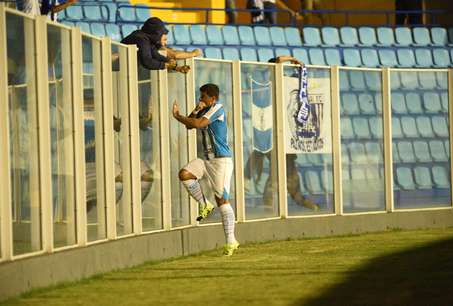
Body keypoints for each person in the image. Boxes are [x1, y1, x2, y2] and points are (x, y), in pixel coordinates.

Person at [244, 56, 319, 212]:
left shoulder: (291, 89)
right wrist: (293, 59)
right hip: (275, 137)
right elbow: (275, 61)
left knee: (290, 179)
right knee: (277, 173)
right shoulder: (274, 84)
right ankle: (266, 203)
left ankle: (302, 202)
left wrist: (300, 67)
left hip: (287, 139)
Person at [172, 83, 239, 256]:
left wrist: (177, 116)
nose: (200, 99)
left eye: (203, 97)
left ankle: (231, 241)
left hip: (220, 161)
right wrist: (195, 109)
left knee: (222, 201)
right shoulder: (204, 109)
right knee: (185, 174)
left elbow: (198, 124)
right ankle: (204, 204)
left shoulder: (217, 108)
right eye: (200, 96)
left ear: (213, 98)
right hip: (206, 160)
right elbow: (190, 124)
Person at [121, 17, 201, 73]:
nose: (165, 43)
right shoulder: (141, 38)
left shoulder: (146, 38)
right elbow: (147, 61)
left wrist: (174, 66)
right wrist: (194, 53)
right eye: (164, 38)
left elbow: (155, 55)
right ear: (156, 33)